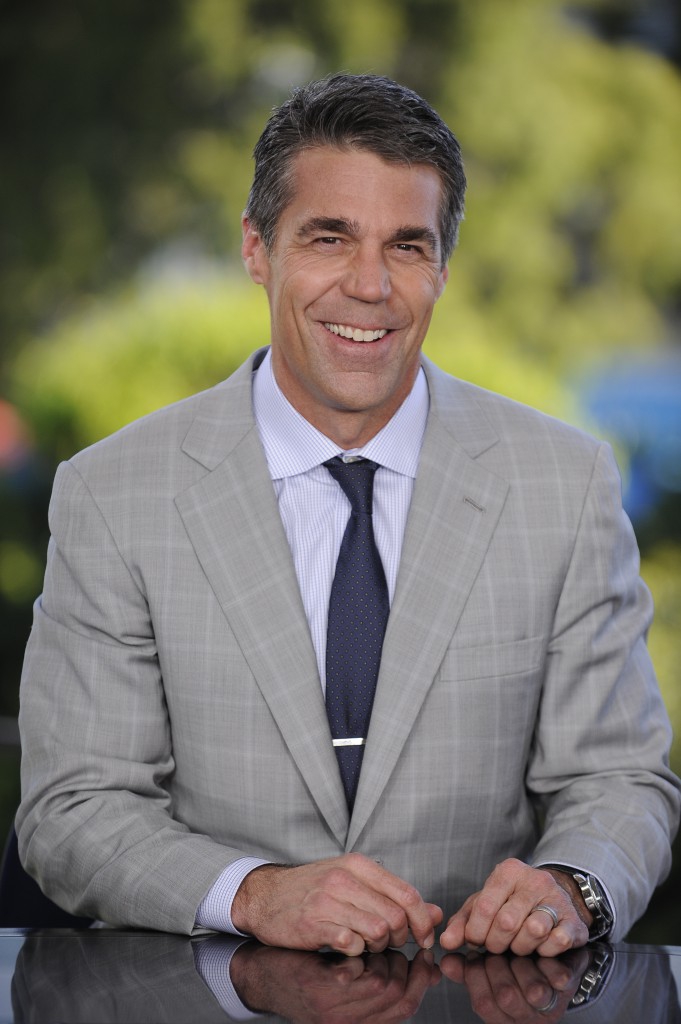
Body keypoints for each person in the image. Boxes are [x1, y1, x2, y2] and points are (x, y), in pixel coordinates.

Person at [17, 73, 680, 959]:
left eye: (406, 246)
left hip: (476, 1000)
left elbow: (619, 778)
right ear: (257, 248)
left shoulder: (562, 484)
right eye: (328, 238)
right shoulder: (113, 494)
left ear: (441, 269)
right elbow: (72, 810)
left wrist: (571, 884)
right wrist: (252, 894)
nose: (369, 285)